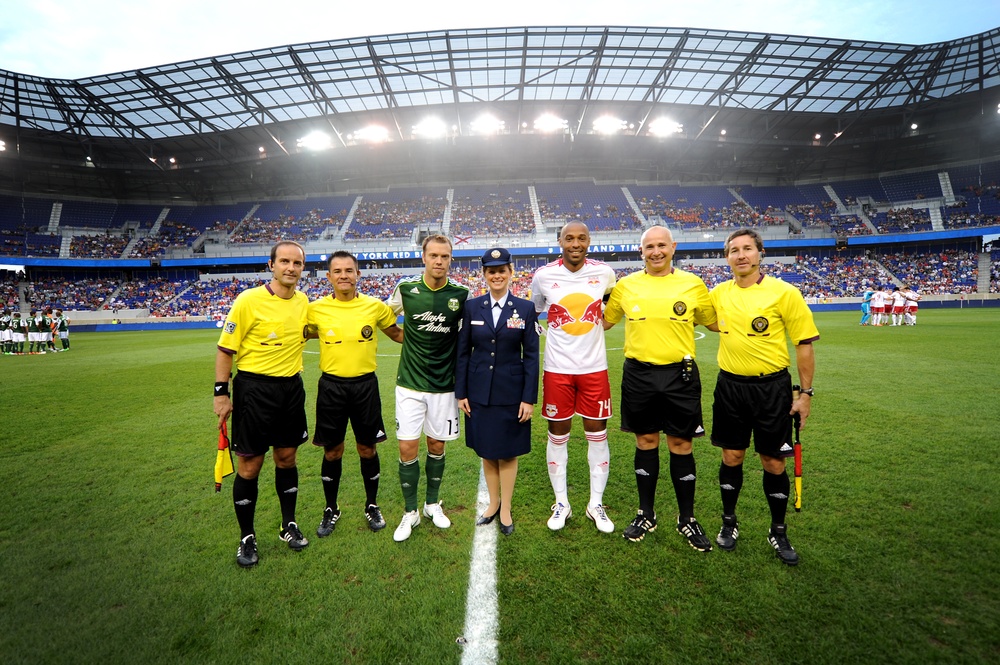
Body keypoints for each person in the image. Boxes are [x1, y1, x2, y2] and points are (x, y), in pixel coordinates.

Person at [603, 226, 718, 549]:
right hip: (639, 374)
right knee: (646, 440)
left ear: (673, 247)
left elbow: (714, 322)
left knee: (681, 444)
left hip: (680, 375)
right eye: (649, 246)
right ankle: (646, 513)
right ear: (641, 251)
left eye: (661, 245)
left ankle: (686, 518)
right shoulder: (626, 286)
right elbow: (605, 320)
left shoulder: (693, 285)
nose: (656, 251)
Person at [709, 228, 819, 566]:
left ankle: (778, 530)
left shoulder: (784, 293)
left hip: (772, 389)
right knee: (732, 457)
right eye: (733, 250)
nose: (740, 255)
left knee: (772, 461)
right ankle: (729, 523)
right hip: (730, 387)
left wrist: (805, 394)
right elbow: (709, 322)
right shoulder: (718, 294)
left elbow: (804, 344)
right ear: (726, 257)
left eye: (747, 249)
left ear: (760, 253)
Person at [214, 240, 311, 568]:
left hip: (291, 389)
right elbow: (225, 350)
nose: (290, 268)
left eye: (296, 263)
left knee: (286, 458)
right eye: (284, 261)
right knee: (250, 465)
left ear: (302, 268)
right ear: (271, 265)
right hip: (254, 391)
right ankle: (247, 536)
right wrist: (220, 393)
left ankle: (288, 524)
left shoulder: (303, 301)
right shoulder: (248, 300)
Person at [306, 250, 403, 537]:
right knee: (332, 450)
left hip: (365, 387)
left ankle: (371, 505)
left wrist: (436, 338)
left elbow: (396, 333)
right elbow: (301, 332)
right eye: (338, 271)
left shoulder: (374, 307)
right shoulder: (316, 309)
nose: (344, 275)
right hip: (331, 387)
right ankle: (330, 508)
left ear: (358, 274)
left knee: (367, 448)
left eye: (349, 270)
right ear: (329, 277)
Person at [530, 221, 617, 533]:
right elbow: (535, 311)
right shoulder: (543, 276)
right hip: (557, 369)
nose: (576, 243)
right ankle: (562, 503)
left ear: (589, 240)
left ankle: (596, 504)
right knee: (558, 435)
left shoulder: (605, 273)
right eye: (569, 238)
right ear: (560, 242)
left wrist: (598, 323)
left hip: (594, 369)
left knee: (597, 434)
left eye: (581, 238)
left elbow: (611, 306)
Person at [387, 234, 470, 542]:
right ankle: (410, 512)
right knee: (407, 448)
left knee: (437, 446)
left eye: (444, 256)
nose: (439, 261)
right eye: (433, 255)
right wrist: (401, 337)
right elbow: (385, 317)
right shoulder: (406, 289)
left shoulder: (461, 294)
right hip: (409, 383)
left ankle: (432, 503)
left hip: (444, 386)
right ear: (423, 257)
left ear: (450, 260)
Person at [456, 247, 540, 536]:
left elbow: (531, 356)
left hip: (511, 393)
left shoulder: (526, 309)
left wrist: (528, 398)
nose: (496, 275)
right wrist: (461, 392)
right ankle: (493, 503)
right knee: (487, 451)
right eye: (491, 271)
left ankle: (505, 509)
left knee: (507, 452)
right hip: (479, 393)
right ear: (484, 275)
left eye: (502, 270)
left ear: (510, 273)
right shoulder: (472, 307)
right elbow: (463, 353)